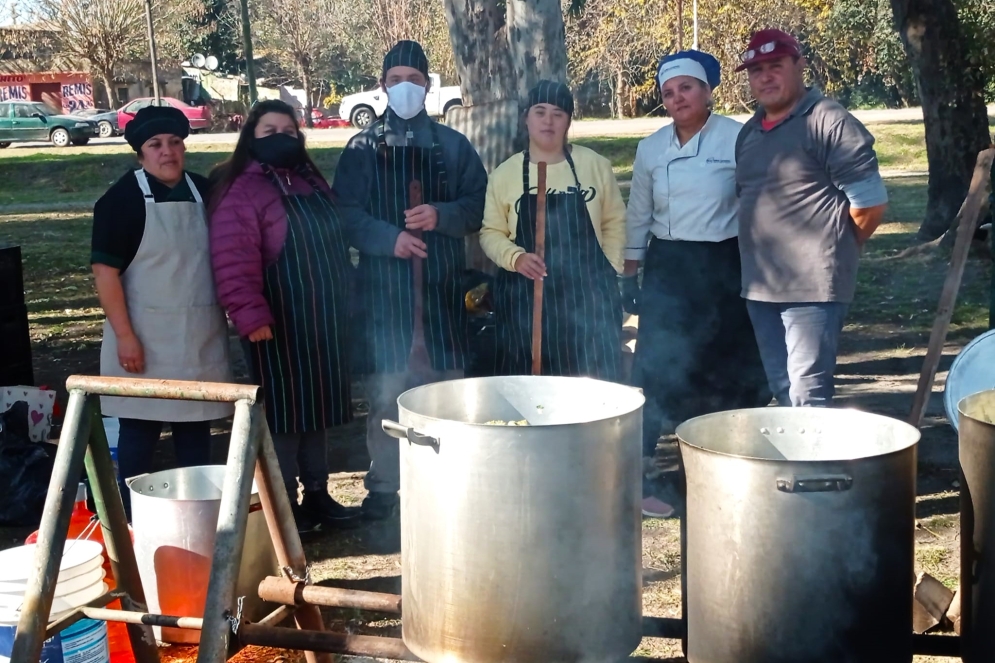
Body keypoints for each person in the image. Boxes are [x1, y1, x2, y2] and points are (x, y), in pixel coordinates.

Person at [210, 100, 382, 532]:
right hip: (276, 322)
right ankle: (284, 505)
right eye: (269, 131)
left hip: (324, 318)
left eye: (289, 130)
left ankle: (318, 495)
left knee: (317, 411)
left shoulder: (310, 181)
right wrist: (251, 317)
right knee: (284, 417)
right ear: (251, 136)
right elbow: (232, 260)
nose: (281, 138)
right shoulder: (241, 191)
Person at [333, 41, 488, 520]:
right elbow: (346, 214)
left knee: (445, 387)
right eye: (396, 78)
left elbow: (477, 205)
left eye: (415, 80)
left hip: (442, 286)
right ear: (383, 85)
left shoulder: (453, 145)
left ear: (428, 86)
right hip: (386, 290)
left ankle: (449, 483)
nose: (406, 87)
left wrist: (440, 215)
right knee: (387, 390)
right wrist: (390, 239)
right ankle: (384, 487)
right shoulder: (361, 147)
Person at [623, 51, 769, 519]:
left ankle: (720, 466)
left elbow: (758, 203)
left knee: (722, 363)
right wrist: (630, 273)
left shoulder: (738, 137)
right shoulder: (651, 148)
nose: (677, 98)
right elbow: (639, 215)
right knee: (657, 364)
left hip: (724, 264)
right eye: (668, 92)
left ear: (708, 91)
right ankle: (644, 472)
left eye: (686, 87)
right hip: (669, 267)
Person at [91, 105, 233, 519]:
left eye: (174, 143)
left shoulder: (205, 193)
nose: (167, 152)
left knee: (196, 433)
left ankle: (197, 518)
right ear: (141, 153)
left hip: (200, 337)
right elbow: (105, 274)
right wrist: (125, 336)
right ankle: (132, 521)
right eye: (156, 145)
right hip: (144, 341)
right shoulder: (121, 201)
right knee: (140, 432)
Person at [735, 29, 888, 407]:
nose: (765, 77)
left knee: (808, 393)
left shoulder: (828, 121)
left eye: (775, 66)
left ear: (799, 66)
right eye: (756, 70)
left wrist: (835, 250)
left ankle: (815, 467)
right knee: (783, 388)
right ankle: (795, 465)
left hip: (812, 288)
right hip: (761, 286)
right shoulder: (749, 132)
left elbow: (869, 203)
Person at [480, 80, 626, 381]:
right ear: (526, 118)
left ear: (569, 120)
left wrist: (609, 269)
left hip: (588, 297)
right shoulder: (504, 174)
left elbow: (615, 222)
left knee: (591, 381)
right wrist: (515, 258)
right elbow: (490, 232)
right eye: (540, 111)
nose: (548, 120)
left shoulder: (595, 166)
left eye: (559, 113)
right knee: (530, 388)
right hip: (524, 298)